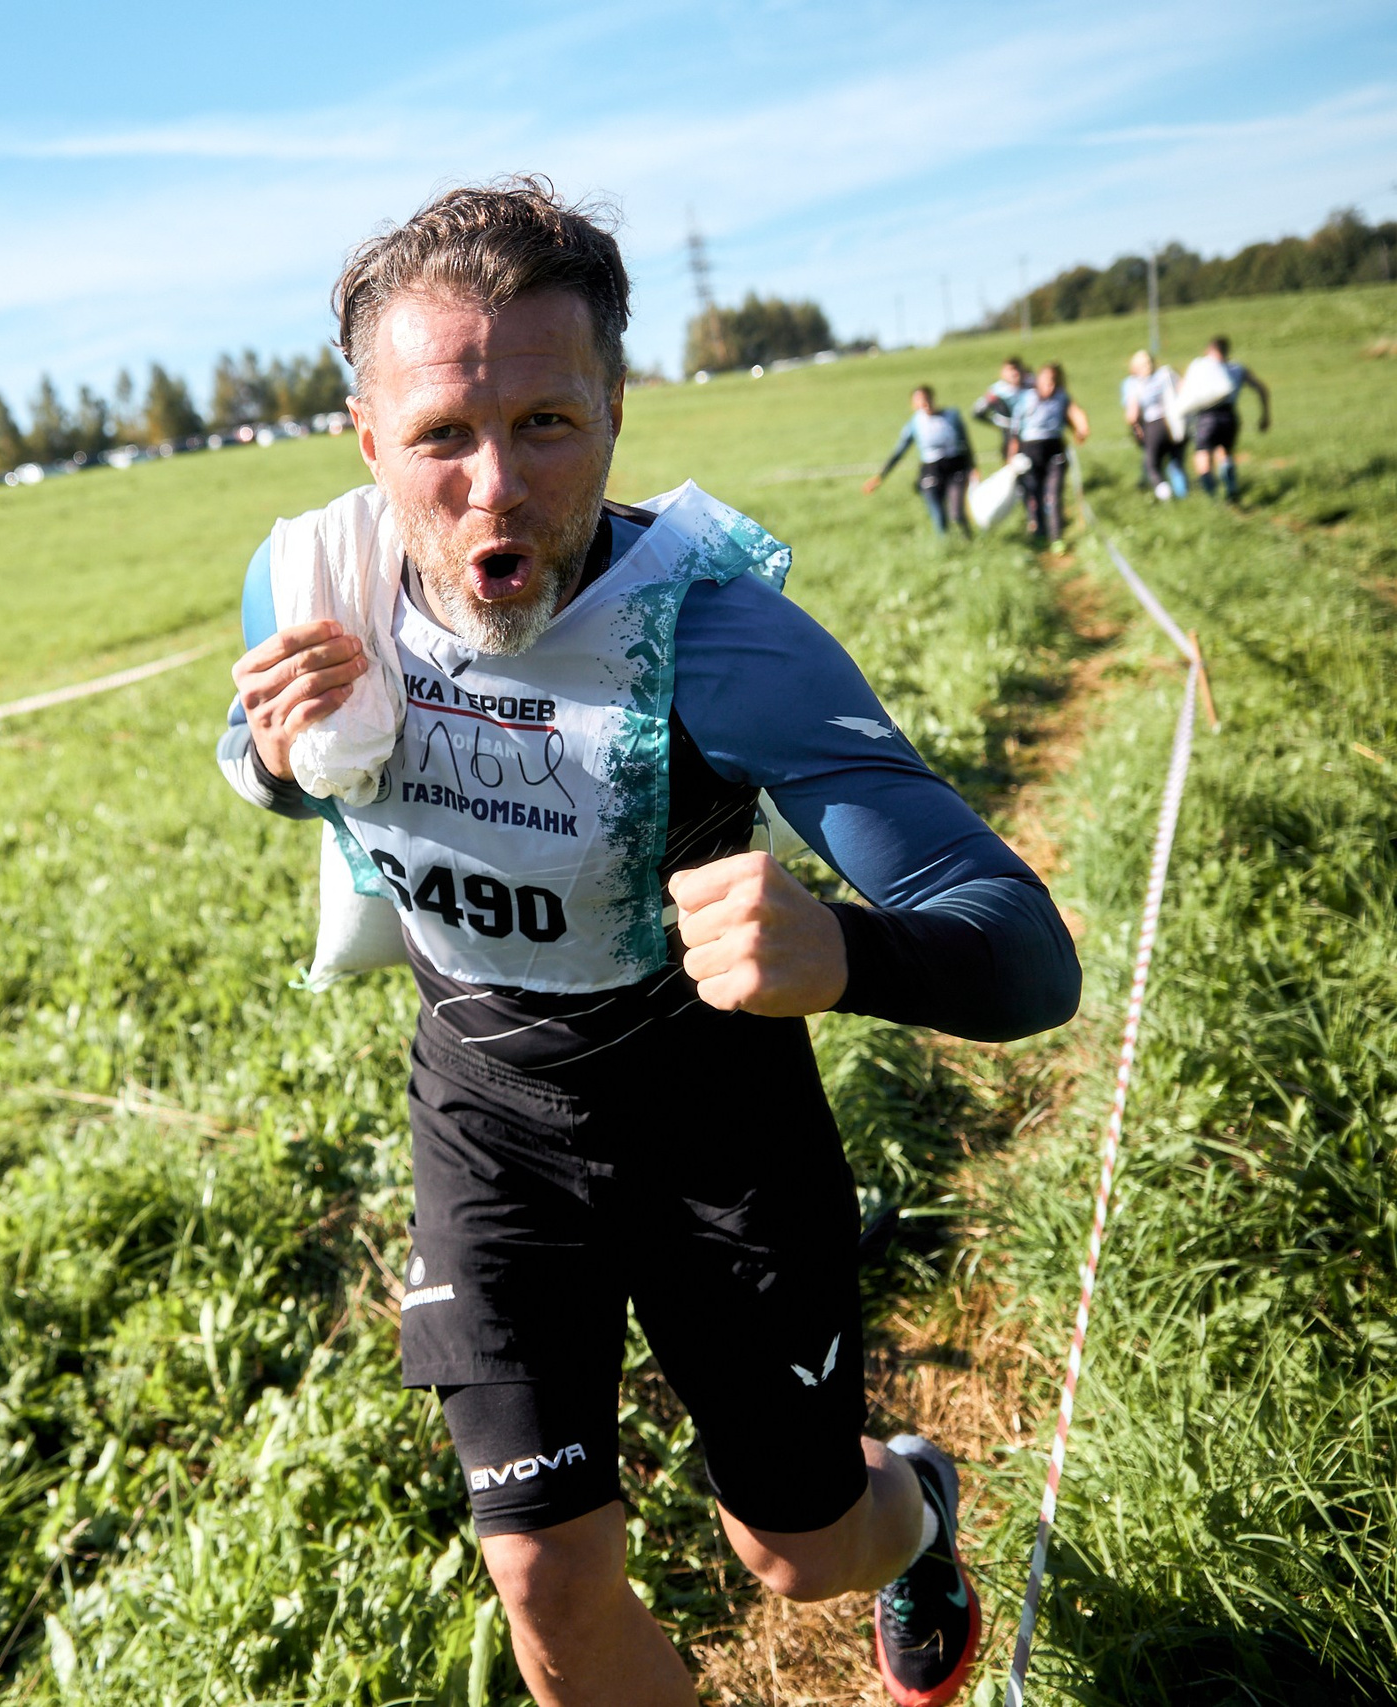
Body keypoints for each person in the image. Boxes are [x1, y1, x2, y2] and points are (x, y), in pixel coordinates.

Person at [218, 178, 1078, 1707]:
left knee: (800, 1551)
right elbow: (277, 755)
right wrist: (276, 765)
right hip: (486, 1118)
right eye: (441, 437)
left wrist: (848, 954)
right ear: (368, 441)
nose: (495, 487)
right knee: (542, 1571)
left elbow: (1025, 949)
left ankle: (920, 1502)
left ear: (616, 409)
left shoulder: (719, 636)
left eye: (547, 423)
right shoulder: (312, 584)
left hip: (713, 1124)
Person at [864, 386, 977, 532]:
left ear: (933, 398)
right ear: (913, 404)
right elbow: (899, 452)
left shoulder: (952, 416)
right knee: (938, 514)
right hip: (931, 469)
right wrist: (881, 476)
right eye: (920, 401)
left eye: (927, 399)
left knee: (956, 514)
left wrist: (973, 467)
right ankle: (946, 547)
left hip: (955, 466)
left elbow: (966, 443)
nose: (925, 404)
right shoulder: (915, 424)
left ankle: (967, 538)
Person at [1180, 335, 1271, 500]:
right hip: (1230, 416)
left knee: (1202, 455)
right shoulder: (1237, 368)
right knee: (1225, 453)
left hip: (1206, 416)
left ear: (1210, 350)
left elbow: (1184, 388)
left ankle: (1212, 499)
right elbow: (1261, 389)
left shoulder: (1202, 366)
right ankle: (1231, 489)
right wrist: (1265, 415)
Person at [1008, 363, 1089, 548]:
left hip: (1055, 450)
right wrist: (1011, 456)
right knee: (1034, 494)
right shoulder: (1025, 398)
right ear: (1038, 381)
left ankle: (1056, 536)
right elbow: (1015, 430)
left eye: (1053, 382)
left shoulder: (1062, 397)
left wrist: (1081, 430)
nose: (1049, 386)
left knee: (1053, 495)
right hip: (1030, 451)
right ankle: (1039, 533)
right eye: (1046, 382)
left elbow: (1074, 415)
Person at [1121, 350, 1187, 500]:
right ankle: (1184, 497)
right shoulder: (1166, 374)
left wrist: (1135, 427)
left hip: (1153, 426)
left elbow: (1132, 415)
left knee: (1152, 465)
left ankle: (1167, 499)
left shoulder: (1134, 384)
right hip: (1174, 423)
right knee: (1176, 463)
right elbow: (1183, 388)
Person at [973, 357, 1029, 462]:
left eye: (1017, 369)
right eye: (1010, 370)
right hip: (1009, 437)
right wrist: (999, 422)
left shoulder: (1031, 386)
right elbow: (977, 412)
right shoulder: (997, 391)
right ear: (1003, 373)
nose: (1014, 373)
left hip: (1031, 435)